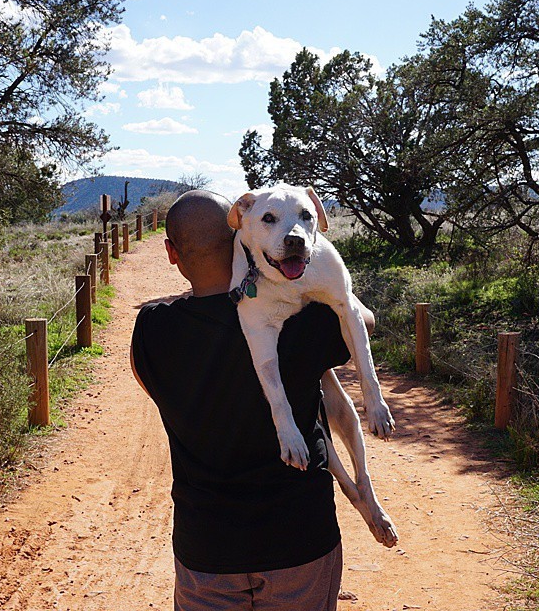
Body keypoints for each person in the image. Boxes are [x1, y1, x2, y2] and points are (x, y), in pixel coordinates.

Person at [130, 190, 376, 610]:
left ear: (172, 253)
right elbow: (364, 320)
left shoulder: (151, 329)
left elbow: (151, 386)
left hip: (206, 549)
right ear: (243, 237)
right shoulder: (301, 320)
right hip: (300, 539)